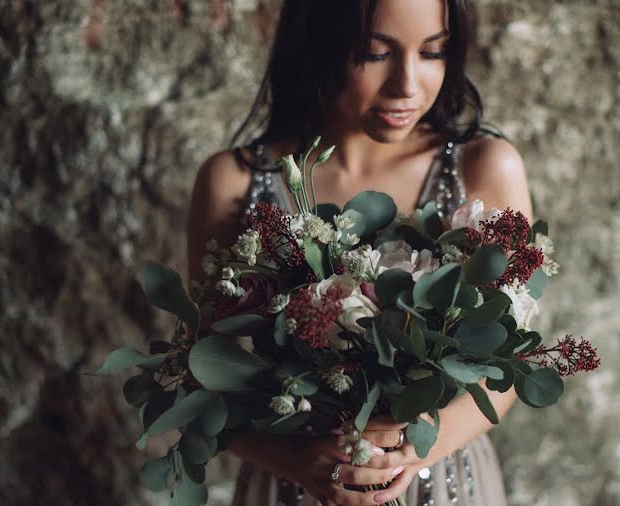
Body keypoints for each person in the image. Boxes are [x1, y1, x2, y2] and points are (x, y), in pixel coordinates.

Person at [187, 1, 531, 504]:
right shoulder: (236, 184)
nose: (407, 86)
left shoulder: (485, 169)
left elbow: (511, 371)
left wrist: (417, 448)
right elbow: (203, 381)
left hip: (444, 482)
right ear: (316, 43)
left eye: (433, 52)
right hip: (292, 488)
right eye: (374, 54)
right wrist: (298, 463)